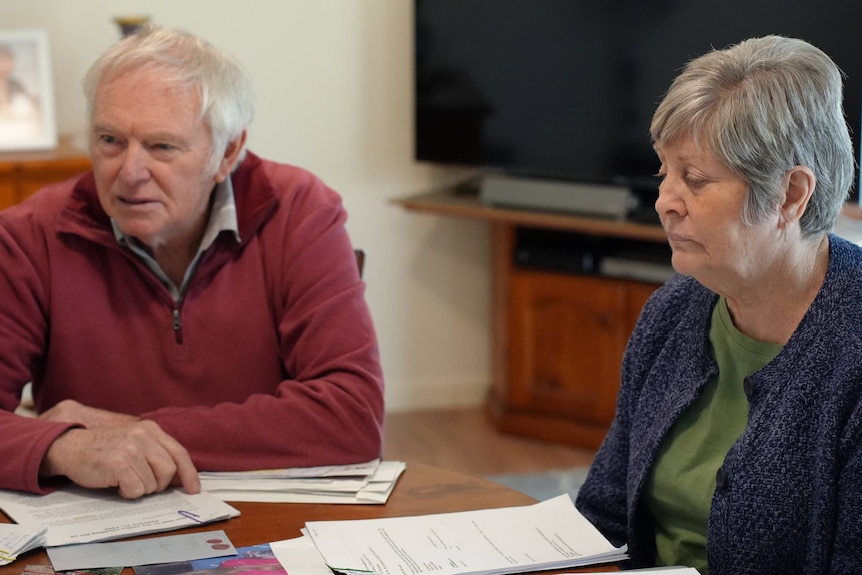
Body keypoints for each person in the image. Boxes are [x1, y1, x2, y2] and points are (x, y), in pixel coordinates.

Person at [0, 25, 384, 500]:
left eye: (162, 146)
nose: (130, 172)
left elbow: (352, 415)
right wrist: (64, 448)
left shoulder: (300, 211)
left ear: (227, 153)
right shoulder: (28, 236)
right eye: (109, 140)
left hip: (270, 513)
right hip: (98, 522)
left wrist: (135, 432)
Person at [575, 35, 862, 574]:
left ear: (791, 194)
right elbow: (603, 517)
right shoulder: (671, 314)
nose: (664, 201)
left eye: (696, 179)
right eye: (664, 172)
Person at [0, 43, 42, 142]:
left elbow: (29, 107)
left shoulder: (16, 85)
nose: (6, 66)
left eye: (8, 61)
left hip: (14, 131)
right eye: (3, 61)